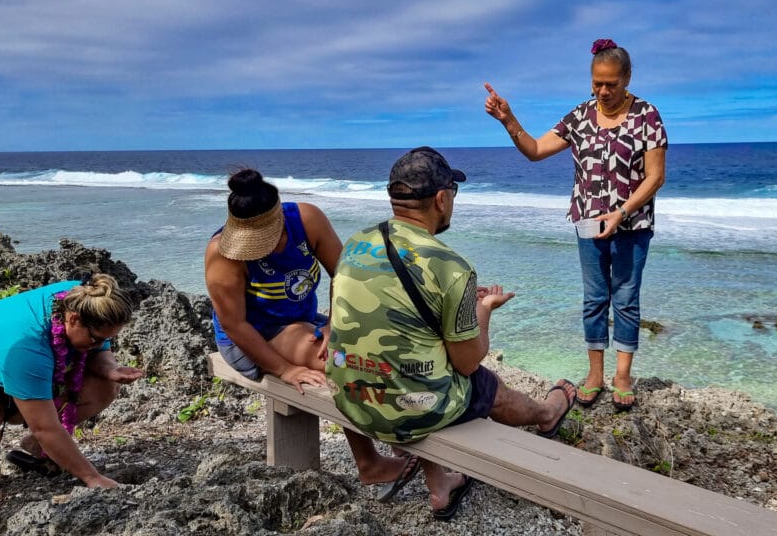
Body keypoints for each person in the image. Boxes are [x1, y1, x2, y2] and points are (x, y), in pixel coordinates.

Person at [326, 146, 577, 521]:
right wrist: (484, 310)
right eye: (453, 194)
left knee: (418, 360)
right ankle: (546, 413)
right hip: (406, 411)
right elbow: (467, 361)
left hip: (350, 395)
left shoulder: (356, 242)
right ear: (442, 199)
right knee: (483, 384)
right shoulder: (451, 267)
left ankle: (440, 484)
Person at [203, 168, 418, 501]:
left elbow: (345, 275)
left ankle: (394, 433)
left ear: (278, 224)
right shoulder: (222, 253)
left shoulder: (306, 220)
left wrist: (334, 325)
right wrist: (285, 370)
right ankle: (370, 462)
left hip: (304, 320)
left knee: (379, 344)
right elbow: (235, 325)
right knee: (339, 363)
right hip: (251, 337)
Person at [484, 38, 667, 412]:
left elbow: (655, 177)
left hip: (632, 225)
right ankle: (595, 375)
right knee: (594, 299)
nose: (603, 91)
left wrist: (622, 212)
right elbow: (535, 150)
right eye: (597, 83)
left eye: (611, 84)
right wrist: (509, 120)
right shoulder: (580, 115)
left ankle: (622, 378)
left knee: (627, 300)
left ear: (628, 78)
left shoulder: (647, 116)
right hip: (587, 222)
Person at [0, 274, 143, 508]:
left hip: (30, 367)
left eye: (107, 339)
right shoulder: (29, 348)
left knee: (104, 385)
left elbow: (99, 348)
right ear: (73, 319)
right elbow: (45, 427)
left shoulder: (88, 296)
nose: (100, 345)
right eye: (96, 339)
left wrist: (110, 369)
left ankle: (37, 447)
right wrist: (93, 478)